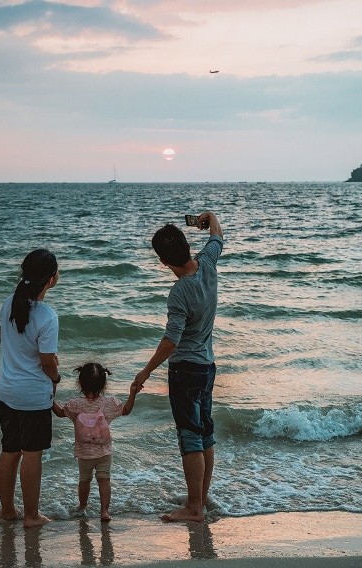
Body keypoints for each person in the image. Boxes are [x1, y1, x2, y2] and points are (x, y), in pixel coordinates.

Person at [132, 211, 224, 523]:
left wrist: (145, 372)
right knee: (205, 434)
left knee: (190, 437)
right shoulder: (208, 263)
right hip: (208, 366)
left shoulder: (180, 291)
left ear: (162, 261)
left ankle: (194, 508)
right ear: (186, 245)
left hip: (185, 369)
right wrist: (207, 217)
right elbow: (217, 235)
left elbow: (172, 340)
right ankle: (200, 500)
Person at [0, 248, 61, 528]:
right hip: (33, 395)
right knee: (32, 454)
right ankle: (32, 516)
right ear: (50, 279)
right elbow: (47, 362)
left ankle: (8, 510)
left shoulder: (8, 303)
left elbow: (3, 339)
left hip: (7, 391)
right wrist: (56, 378)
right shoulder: (47, 315)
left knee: (10, 451)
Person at [52, 363, 138, 522]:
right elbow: (126, 410)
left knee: (84, 480)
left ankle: (82, 506)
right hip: (104, 452)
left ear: (80, 383)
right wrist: (132, 393)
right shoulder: (109, 403)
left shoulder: (75, 404)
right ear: (104, 384)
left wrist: (50, 393)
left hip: (84, 454)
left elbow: (59, 412)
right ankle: (104, 511)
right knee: (104, 480)